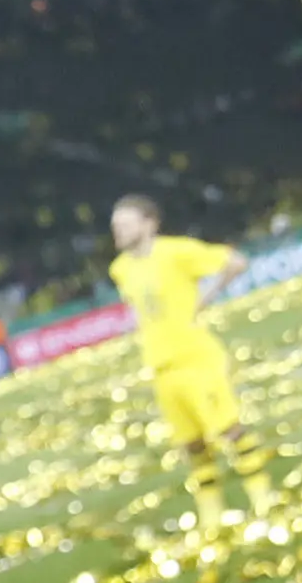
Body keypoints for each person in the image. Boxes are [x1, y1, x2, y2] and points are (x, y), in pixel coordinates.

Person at [105, 195, 273, 531]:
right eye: (115, 227)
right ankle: (211, 513)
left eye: (125, 224)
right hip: (161, 366)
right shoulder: (119, 269)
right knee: (191, 443)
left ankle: (263, 498)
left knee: (228, 429)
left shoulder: (176, 251)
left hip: (196, 357)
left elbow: (235, 262)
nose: (118, 232)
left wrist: (204, 300)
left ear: (149, 223)